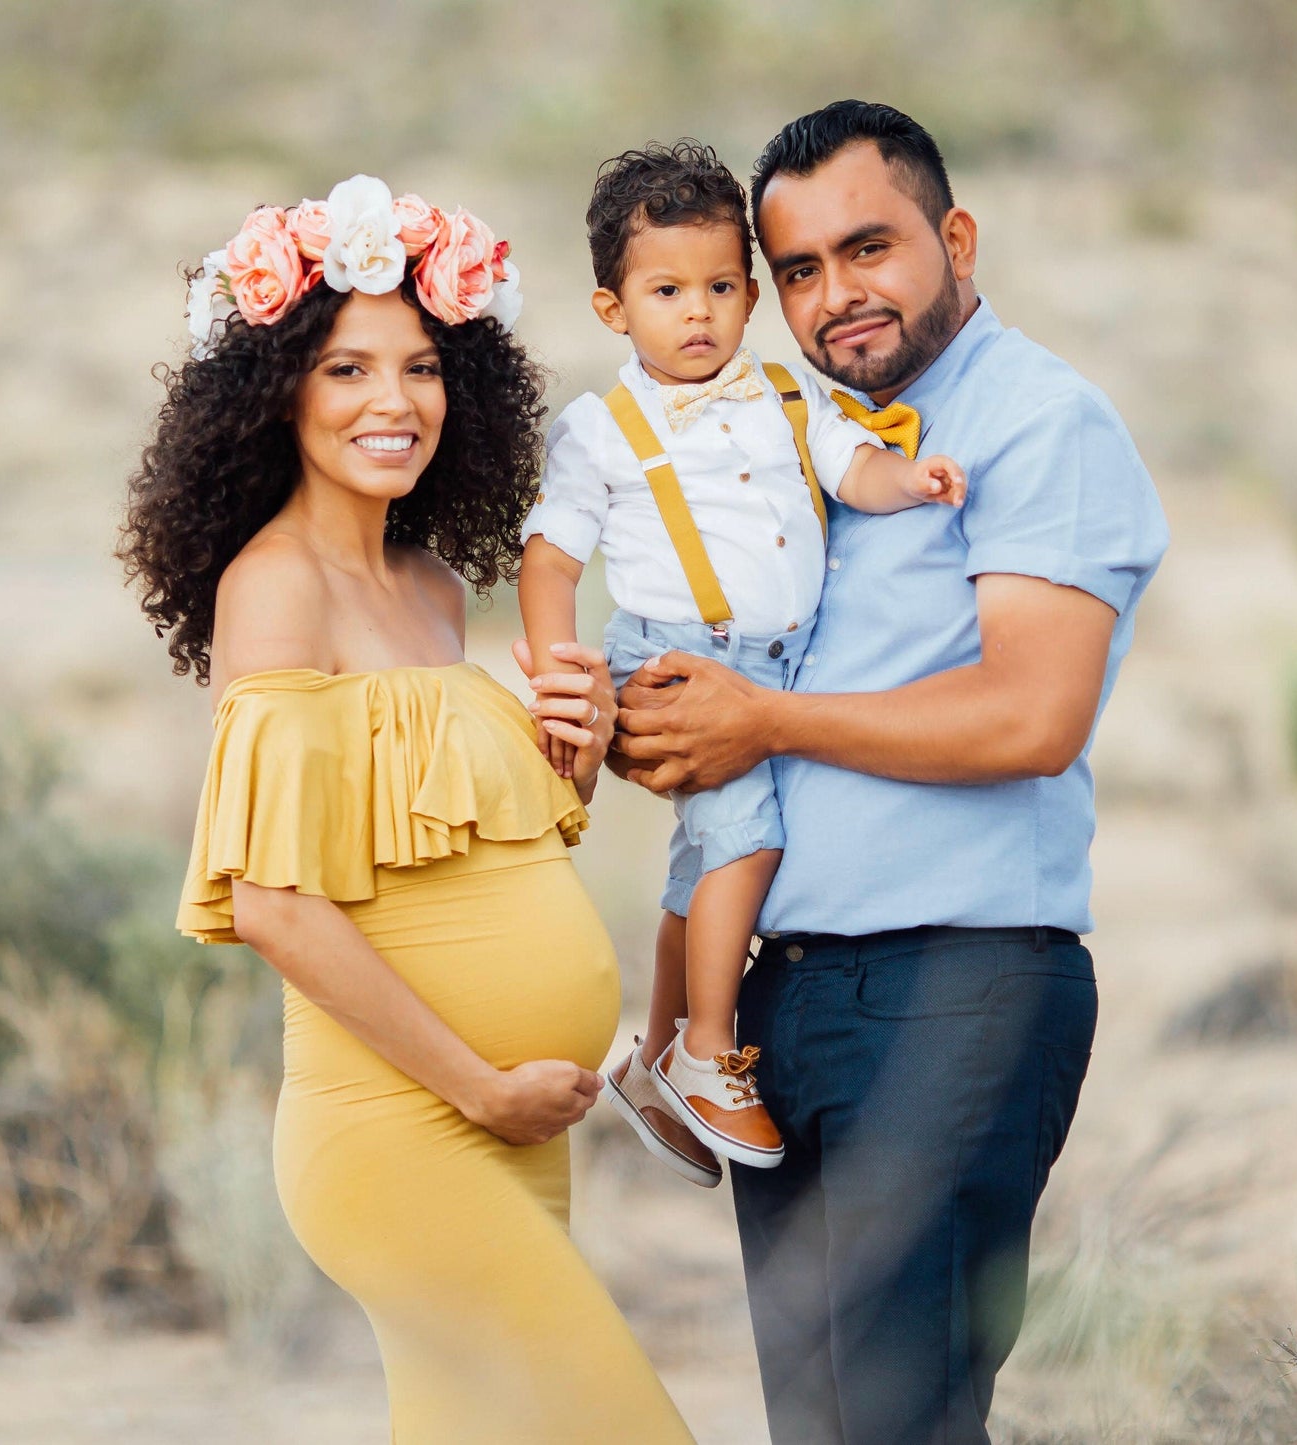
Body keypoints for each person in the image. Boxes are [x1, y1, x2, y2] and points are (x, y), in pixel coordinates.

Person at [613, 102, 1170, 1445]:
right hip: (781, 1005)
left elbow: (1030, 716)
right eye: (796, 269)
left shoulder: (1038, 421)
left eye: (867, 249)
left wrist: (763, 723)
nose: (833, 296)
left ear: (954, 236)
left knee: (899, 1426)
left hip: (953, 987)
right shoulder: (793, 440)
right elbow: (737, 736)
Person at [118, 175, 692, 1444]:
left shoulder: (430, 588)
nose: (394, 401)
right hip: (405, 1130)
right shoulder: (272, 591)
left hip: (516, 1125)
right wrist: (479, 1087)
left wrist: (574, 752)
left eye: (423, 367)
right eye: (346, 370)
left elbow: (464, 852)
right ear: (274, 392)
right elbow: (274, 901)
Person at [518, 141, 964, 1184]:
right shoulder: (601, 431)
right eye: (666, 290)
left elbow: (849, 468)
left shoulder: (780, 394)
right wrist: (562, 678)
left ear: (750, 292)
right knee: (745, 847)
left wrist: (911, 478)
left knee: (701, 862)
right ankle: (711, 1049)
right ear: (610, 309)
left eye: (720, 286)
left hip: (774, 662)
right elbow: (548, 558)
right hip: (675, 660)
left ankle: (656, 1049)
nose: (698, 312)